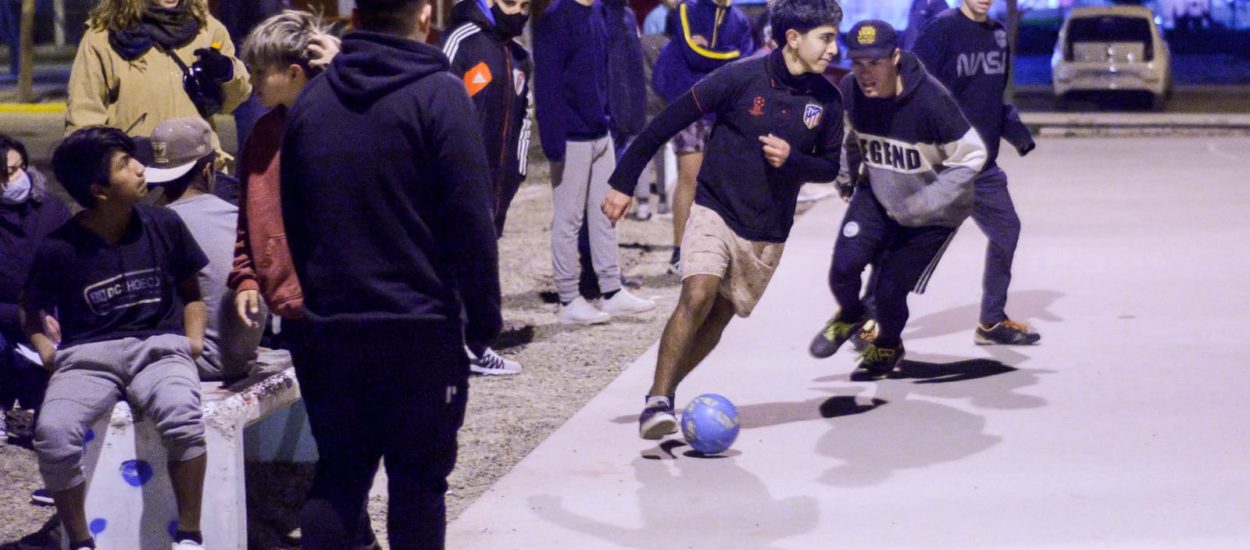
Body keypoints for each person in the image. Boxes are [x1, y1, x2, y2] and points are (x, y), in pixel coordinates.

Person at [279, 0, 501, 546]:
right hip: (419, 327)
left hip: (331, 326)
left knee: (339, 477)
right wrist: (483, 319)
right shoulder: (440, 95)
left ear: (354, 21)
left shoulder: (312, 101)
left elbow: (295, 216)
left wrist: (321, 298)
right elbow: (472, 218)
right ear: (425, 17)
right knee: (419, 484)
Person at [603, 0, 845, 439]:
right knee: (698, 294)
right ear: (794, 38)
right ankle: (657, 401)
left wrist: (794, 161)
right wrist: (622, 182)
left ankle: (666, 390)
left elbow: (829, 168)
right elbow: (663, 125)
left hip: (767, 232)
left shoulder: (828, 100)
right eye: (826, 37)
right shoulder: (739, 78)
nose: (833, 48)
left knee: (716, 321)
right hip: (715, 208)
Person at [23, 126, 210, 550]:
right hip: (87, 357)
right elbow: (29, 307)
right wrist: (46, 349)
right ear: (99, 190)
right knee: (52, 433)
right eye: (126, 164)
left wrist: (193, 342)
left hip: (158, 349)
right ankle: (81, 540)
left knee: (182, 415)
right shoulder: (61, 247)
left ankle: (190, 536)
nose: (142, 169)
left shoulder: (164, 223)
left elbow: (192, 293)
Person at [807, 20, 988, 379]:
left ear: (896, 58)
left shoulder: (930, 101)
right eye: (857, 63)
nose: (864, 73)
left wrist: (922, 203)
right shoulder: (851, 89)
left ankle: (888, 344)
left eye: (874, 63)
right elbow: (851, 136)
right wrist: (846, 177)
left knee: (889, 293)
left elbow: (972, 155)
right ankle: (850, 314)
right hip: (876, 194)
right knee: (843, 269)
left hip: (932, 214)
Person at [913, 0, 1040, 345]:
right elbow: (914, 90)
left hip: (983, 167)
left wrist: (1016, 134)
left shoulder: (998, 35)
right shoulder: (941, 30)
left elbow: (992, 97)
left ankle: (991, 321)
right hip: (944, 166)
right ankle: (869, 319)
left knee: (1007, 231)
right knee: (913, 247)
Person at [533, 0, 655, 325]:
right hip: (572, 135)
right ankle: (568, 298)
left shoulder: (598, 12)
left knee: (606, 215)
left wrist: (613, 117)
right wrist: (553, 141)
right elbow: (547, 82)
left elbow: (607, 72)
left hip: (601, 131)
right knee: (569, 219)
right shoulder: (556, 17)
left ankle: (612, 291)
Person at [440, 0, 531, 375]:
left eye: (526, 4)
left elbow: (526, 117)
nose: (520, 10)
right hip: (456, 181)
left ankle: (475, 346)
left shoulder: (520, 56)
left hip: (497, 184)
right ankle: (449, 348)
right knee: (448, 263)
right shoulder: (461, 40)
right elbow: (435, 100)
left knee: (481, 263)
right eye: (513, 2)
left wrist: (517, 172)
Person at [149, 118, 265, 381]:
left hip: (194, 364)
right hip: (239, 358)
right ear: (209, 169)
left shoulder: (155, 224)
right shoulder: (239, 217)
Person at [651, 0, 754, 274]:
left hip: (723, 107)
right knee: (690, 176)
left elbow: (746, 60)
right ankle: (679, 252)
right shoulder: (687, 10)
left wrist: (713, 52)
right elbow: (693, 54)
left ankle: (715, 250)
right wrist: (726, 54)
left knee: (722, 181)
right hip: (690, 105)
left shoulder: (740, 19)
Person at [66, 0, 252, 150]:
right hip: (137, 175)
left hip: (199, 171)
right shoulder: (102, 37)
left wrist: (226, 71)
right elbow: (84, 117)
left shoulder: (207, 28)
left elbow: (235, 100)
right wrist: (106, 171)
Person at [0, 133, 71, 441]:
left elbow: (71, 270)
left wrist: (53, 313)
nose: (12, 180)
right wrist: (29, 316)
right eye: (2, 175)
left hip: (51, 318)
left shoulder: (53, 210)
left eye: (17, 169)